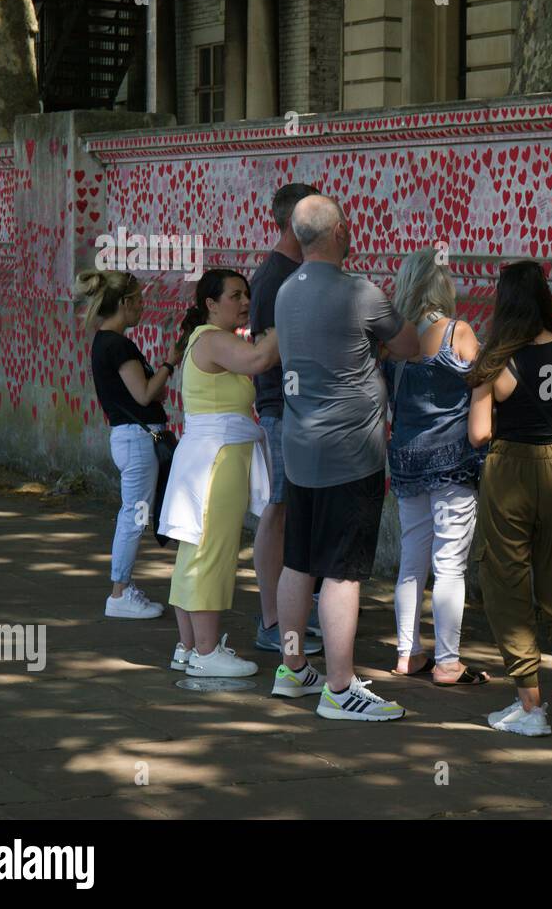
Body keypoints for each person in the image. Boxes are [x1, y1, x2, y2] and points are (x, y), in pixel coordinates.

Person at [272, 194, 421, 720]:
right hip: (349, 453)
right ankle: (340, 689)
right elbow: (408, 345)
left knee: (299, 562)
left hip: (299, 447)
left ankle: (292, 668)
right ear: (339, 232)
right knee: (342, 571)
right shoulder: (360, 291)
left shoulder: (287, 292)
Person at [466, 261, 552, 736]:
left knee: (507, 581)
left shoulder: (495, 357)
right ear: (545, 297)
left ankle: (529, 705)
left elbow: (479, 433)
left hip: (509, 471)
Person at [158, 269, 280, 676]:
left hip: (211, 456)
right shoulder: (212, 339)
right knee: (212, 551)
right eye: (235, 296)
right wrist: (287, 317)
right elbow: (262, 359)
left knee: (195, 551)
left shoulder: (208, 339)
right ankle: (207, 655)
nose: (244, 302)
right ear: (210, 304)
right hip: (217, 459)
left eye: (246, 294)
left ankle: (189, 647)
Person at [383, 249, 489, 686]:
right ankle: (448, 661)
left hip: (406, 457)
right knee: (449, 564)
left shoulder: (393, 341)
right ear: (441, 286)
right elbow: (487, 379)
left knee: (411, 560)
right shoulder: (458, 332)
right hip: (451, 462)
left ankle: (408, 654)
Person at [76, 269, 179, 619]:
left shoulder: (105, 342)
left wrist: (158, 375)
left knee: (133, 513)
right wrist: (169, 362)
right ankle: (119, 592)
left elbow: (145, 393)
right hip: (137, 439)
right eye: (138, 300)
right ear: (124, 303)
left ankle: (123, 588)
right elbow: (145, 393)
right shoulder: (118, 345)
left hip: (131, 437)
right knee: (133, 516)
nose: (143, 306)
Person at [247, 182, 323, 659]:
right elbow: (268, 352)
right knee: (277, 509)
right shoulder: (278, 277)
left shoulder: (290, 272)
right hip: (282, 407)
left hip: (293, 406)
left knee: (289, 509)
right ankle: (273, 620)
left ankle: (287, 615)